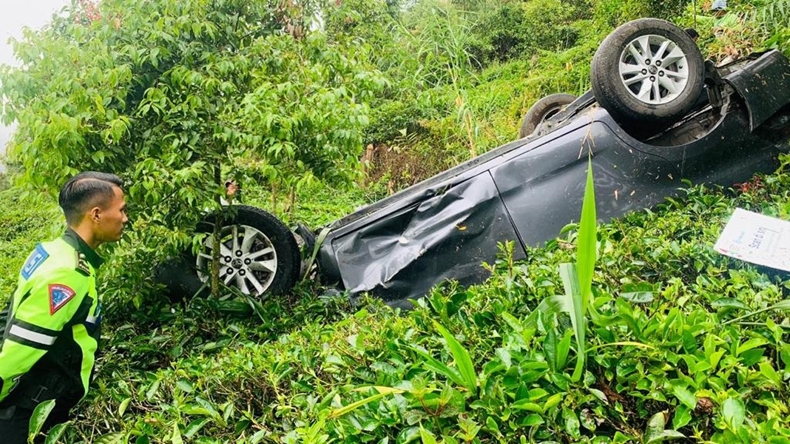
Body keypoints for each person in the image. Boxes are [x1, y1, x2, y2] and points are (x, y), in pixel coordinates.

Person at [0, 172, 128, 443]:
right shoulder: (67, 272)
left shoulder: (52, 250)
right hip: (28, 411)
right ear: (95, 214)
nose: (125, 218)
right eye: (121, 210)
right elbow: (18, 351)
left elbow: (9, 312)